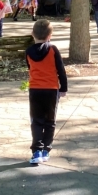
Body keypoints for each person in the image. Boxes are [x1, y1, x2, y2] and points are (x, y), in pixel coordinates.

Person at [25, 19, 67, 165]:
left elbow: (30, 68)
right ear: (50, 35)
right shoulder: (53, 49)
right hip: (51, 90)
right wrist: (63, 88)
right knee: (50, 121)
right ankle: (46, 150)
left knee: (36, 121)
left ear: (32, 34)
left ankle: (36, 150)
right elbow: (61, 70)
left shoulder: (29, 51)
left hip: (35, 90)